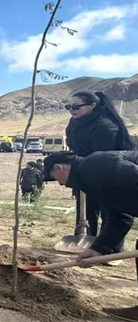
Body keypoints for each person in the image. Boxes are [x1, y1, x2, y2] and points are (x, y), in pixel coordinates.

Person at [43, 151, 137, 322]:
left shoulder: (95, 165)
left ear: (59, 167)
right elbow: (119, 218)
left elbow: (134, 177)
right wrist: (97, 249)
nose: (60, 184)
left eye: (55, 178)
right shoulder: (91, 179)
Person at [65, 91, 134, 247]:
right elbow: (74, 145)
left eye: (76, 106)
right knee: (86, 209)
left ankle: (110, 248)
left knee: (111, 212)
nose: (72, 110)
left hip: (112, 172)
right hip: (87, 168)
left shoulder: (106, 126)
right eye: (68, 107)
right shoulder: (74, 122)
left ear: (92, 106)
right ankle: (87, 240)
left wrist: (83, 165)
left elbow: (104, 156)